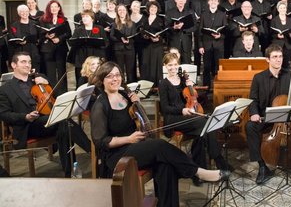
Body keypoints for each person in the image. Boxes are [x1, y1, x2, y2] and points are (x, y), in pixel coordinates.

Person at [90, 61, 230, 207]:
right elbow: (101, 141)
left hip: (137, 146)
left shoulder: (125, 95)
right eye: (110, 76)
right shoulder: (100, 105)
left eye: (117, 75)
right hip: (118, 155)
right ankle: (197, 171)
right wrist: (129, 139)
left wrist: (136, 103)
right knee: (160, 145)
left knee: (166, 166)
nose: (115, 79)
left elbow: (138, 118)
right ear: (102, 80)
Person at [0, 52, 91, 177]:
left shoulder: (38, 79)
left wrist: (47, 81)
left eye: (29, 62)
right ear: (13, 65)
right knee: (63, 122)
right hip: (28, 125)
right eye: (23, 62)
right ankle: (94, 152)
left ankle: (69, 172)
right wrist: (25, 117)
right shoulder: (5, 89)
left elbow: (57, 94)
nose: (28, 65)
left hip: (49, 120)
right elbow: (4, 114)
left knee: (63, 128)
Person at [158, 53, 229, 184]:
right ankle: (218, 159)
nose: (173, 68)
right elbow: (164, 108)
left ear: (178, 64)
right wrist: (181, 110)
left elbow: (194, 98)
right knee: (206, 123)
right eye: (170, 65)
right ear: (165, 66)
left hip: (188, 116)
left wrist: (191, 87)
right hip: (173, 119)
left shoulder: (183, 80)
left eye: (175, 64)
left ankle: (198, 173)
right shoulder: (163, 84)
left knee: (201, 136)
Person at [246, 44, 291, 184]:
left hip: (288, 119)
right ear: (267, 60)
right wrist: (254, 113)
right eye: (275, 57)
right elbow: (253, 100)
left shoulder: (290, 76)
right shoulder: (259, 78)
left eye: (280, 56)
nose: (278, 60)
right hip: (266, 117)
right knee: (250, 127)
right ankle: (262, 166)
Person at [39, 0, 71, 94]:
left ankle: (63, 92)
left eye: (55, 7)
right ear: (49, 8)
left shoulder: (63, 19)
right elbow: (40, 33)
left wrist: (59, 38)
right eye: (51, 7)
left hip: (60, 48)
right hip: (48, 49)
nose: (53, 8)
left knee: (62, 71)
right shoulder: (43, 19)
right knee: (50, 72)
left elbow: (68, 33)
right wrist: (46, 35)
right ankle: (52, 94)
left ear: (59, 8)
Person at [69, 10, 108, 83]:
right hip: (82, 56)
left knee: (98, 79)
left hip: (96, 55)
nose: (84, 18)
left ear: (92, 19)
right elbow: (73, 42)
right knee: (81, 79)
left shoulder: (99, 28)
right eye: (83, 17)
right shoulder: (78, 29)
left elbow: (106, 43)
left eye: (87, 16)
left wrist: (96, 42)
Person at [198, 0, 227, 90]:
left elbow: (226, 32)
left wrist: (220, 35)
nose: (213, 2)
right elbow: (200, 32)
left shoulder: (222, 14)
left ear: (218, 3)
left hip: (219, 45)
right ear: (208, 2)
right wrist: (200, 46)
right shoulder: (203, 14)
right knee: (206, 68)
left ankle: (218, 88)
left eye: (215, 0)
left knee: (218, 68)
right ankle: (206, 88)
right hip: (206, 45)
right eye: (212, 0)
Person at [165, 0, 196, 64]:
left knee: (186, 66)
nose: (181, 1)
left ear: (185, 1)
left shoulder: (190, 12)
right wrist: (174, 27)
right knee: (174, 64)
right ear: (176, 0)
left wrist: (184, 28)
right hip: (174, 42)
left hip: (186, 43)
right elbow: (166, 28)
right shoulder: (169, 12)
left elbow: (195, 27)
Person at [7, 5, 40, 71]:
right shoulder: (14, 25)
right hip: (19, 50)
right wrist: (19, 41)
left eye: (26, 11)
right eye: (21, 12)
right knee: (21, 71)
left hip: (33, 51)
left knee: (34, 71)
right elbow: (11, 37)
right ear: (19, 13)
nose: (24, 13)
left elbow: (39, 36)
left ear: (28, 12)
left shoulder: (35, 24)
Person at [140, 1, 165, 85]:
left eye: (155, 7)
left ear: (157, 9)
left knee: (157, 66)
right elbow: (142, 32)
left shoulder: (161, 20)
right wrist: (145, 36)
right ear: (148, 9)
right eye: (151, 7)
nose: (153, 9)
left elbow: (165, 33)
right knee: (146, 65)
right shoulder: (144, 20)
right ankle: (147, 87)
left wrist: (159, 38)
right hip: (146, 46)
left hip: (157, 46)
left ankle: (158, 87)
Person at [270, 2, 291, 66]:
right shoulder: (274, 20)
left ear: (286, 9)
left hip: (287, 45)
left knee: (287, 65)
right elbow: (271, 34)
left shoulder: (290, 20)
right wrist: (277, 35)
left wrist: (290, 35)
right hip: (277, 45)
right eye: (281, 8)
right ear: (278, 9)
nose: (283, 9)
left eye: (284, 8)